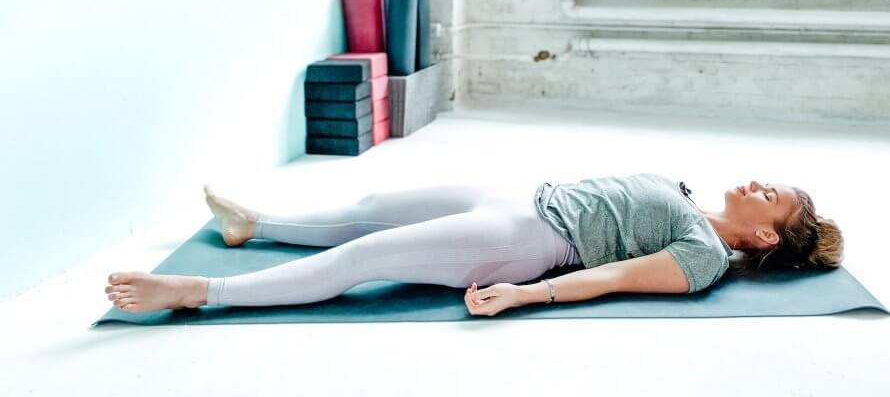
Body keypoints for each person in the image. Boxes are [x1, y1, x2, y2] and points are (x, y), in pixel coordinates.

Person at [104, 173, 843, 317]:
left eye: (770, 195)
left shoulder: (703, 257)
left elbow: (613, 276)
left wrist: (524, 294)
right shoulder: (690, 199)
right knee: (371, 210)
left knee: (363, 261)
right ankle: (256, 225)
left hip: (525, 239)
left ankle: (199, 293)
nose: (757, 182)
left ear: (764, 233)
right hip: (517, 198)